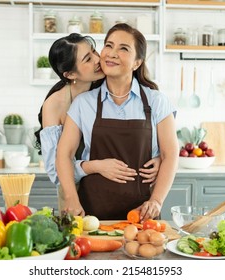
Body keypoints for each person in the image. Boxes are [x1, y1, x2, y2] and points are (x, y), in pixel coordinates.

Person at [56, 24, 179, 221]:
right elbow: (63, 155)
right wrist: (71, 198)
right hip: (91, 216)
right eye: (108, 45)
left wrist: (156, 201)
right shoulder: (83, 103)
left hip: (142, 215)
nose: (112, 53)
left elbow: (170, 154)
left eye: (123, 48)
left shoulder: (157, 101)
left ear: (137, 62)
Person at [35, 33, 161, 211]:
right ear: (70, 74)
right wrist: (95, 166)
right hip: (74, 195)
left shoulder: (105, 87)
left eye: (94, 51)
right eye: (87, 59)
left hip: (121, 194)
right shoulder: (55, 105)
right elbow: (55, 172)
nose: (97, 59)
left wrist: (157, 158)